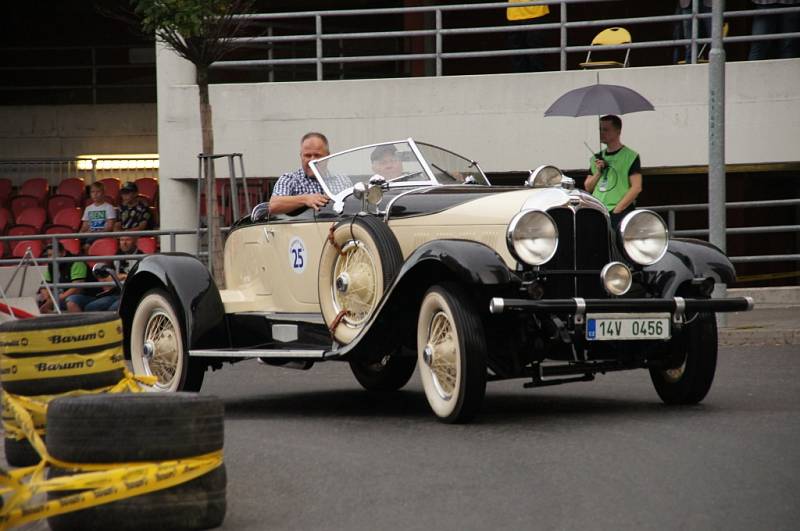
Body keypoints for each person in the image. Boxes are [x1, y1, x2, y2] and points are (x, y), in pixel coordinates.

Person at [584, 115, 643, 228]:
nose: (601, 133)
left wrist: (618, 209)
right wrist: (598, 172)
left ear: (618, 131)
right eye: (600, 129)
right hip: (598, 211)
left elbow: (636, 187)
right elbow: (588, 187)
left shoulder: (630, 156)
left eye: (606, 130)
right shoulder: (596, 158)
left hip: (618, 211)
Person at [269, 132, 331, 215]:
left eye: (317, 155)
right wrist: (305, 199)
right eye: (307, 155)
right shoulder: (289, 179)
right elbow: (273, 205)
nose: (312, 160)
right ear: (301, 156)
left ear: (327, 156)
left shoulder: (342, 180)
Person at [76, 235, 143, 312]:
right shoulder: (117, 256)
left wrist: (118, 276)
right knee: (91, 307)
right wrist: (124, 276)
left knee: (113, 309)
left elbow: (137, 278)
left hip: (132, 294)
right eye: (122, 240)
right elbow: (107, 278)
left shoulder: (141, 257)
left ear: (135, 242)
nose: (124, 243)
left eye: (128, 240)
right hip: (116, 293)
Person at [37, 241, 91, 313]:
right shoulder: (51, 265)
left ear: (62, 253)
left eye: (52, 255)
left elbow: (77, 289)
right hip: (61, 296)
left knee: (71, 300)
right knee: (38, 299)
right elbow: (44, 285)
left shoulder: (76, 262)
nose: (50, 258)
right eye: (48, 255)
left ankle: (78, 323)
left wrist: (56, 299)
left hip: (85, 295)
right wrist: (47, 295)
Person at [506, 0, 550, 73]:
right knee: (517, 56)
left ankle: (539, 79)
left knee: (537, 55)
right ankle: (520, 81)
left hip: (536, 12)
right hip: (514, 14)